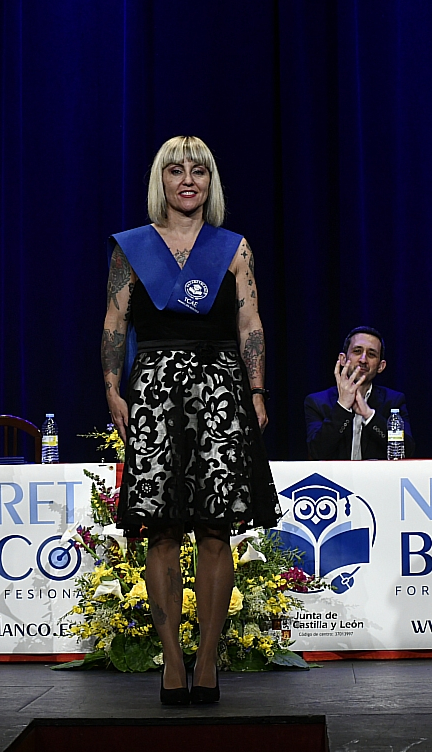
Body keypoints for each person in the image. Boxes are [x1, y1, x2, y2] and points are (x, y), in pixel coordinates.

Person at [102, 136, 281, 705]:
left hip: (220, 392)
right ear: (161, 180)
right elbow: (114, 323)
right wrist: (112, 388)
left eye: (198, 171)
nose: (187, 180)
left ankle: (206, 660)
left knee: (215, 528)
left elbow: (250, 323)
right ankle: (172, 662)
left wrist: (256, 390)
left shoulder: (233, 247)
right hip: (154, 393)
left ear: (210, 182)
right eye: (175, 171)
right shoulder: (132, 248)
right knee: (161, 528)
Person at [304, 326, 414, 459]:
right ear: (343, 359)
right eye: (357, 351)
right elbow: (316, 452)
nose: (363, 360)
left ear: (381, 366)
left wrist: (369, 415)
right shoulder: (317, 402)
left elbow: (406, 452)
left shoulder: (394, 401)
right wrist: (343, 407)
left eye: (371, 354)